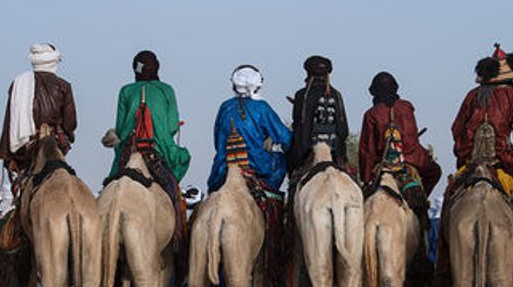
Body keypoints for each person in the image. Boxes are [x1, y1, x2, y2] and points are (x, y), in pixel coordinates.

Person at [435, 44, 513, 287]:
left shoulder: (471, 96)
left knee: (448, 210)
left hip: (468, 168)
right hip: (500, 171)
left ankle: (444, 270)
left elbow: (456, 130)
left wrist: (466, 153)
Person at [449, 44, 513, 195]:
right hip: (501, 162)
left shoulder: (472, 95)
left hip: (470, 161)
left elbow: (457, 129)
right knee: (512, 199)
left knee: (451, 194)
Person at [207, 65, 292, 193]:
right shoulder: (262, 107)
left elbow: (218, 142)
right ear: (258, 85)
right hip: (257, 164)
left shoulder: (225, 107)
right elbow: (285, 138)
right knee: (280, 160)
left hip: (223, 167)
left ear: (234, 85)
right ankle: (270, 198)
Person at [108, 50, 190, 182]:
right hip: (159, 147)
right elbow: (172, 127)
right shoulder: (166, 90)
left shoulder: (126, 91)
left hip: (129, 148)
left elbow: (121, 129)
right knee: (183, 159)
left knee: (110, 183)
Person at [0, 43, 77, 178]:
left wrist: (7, 156)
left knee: (22, 184)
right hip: (55, 141)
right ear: (54, 61)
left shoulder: (18, 84)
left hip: (27, 146)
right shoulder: (64, 86)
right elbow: (70, 124)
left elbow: (9, 123)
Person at [358, 71, 441, 197]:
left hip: (383, 163)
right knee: (435, 171)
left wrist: (366, 179)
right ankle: (423, 202)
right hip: (411, 160)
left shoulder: (371, 114)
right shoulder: (406, 107)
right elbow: (412, 142)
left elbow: (367, 150)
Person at [285, 55, 349, 179]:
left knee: (293, 177)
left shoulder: (301, 95)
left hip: (307, 150)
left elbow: (299, 128)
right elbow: (343, 130)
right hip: (335, 152)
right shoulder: (336, 95)